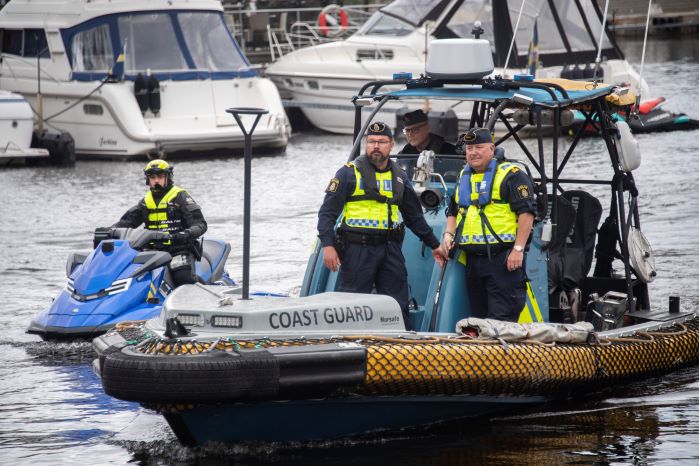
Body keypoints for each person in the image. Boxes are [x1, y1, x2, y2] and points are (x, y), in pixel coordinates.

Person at [318, 121, 447, 330]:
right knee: (351, 305)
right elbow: (327, 213)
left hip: (390, 250)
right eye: (371, 142)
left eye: (381, 142)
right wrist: (328, 245)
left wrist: (434, 245)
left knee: (397, 304)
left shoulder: (400, 177)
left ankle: (401, 349)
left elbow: (414, 217)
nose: (375, 146)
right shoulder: (348, 174)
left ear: (391, 145)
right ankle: (348, 347)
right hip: (357, 250)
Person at [440, 127, 536, 322]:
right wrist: (448, 235)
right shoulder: (463, 176)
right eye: (469, 149)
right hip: (473, 262)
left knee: (501, 318)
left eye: (479, 147)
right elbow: (453, 210)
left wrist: (518, 249)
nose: (473, 152)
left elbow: (527, 213)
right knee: (478, 319)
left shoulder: (512, 175)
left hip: (503, 260)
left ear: (491, 149)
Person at [112, 159, 207, 287]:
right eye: (152, 177)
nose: (156, 180)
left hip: (178, 249)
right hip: (153, 251)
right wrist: (109, 231)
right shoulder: (145, 202)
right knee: (128, 273)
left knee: (182, 277)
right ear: (148, 180)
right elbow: (126, 222)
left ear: (168, 178)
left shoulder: (180, 196)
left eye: (160, 177)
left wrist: (186, 233)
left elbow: (201, 224)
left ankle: (205, 292)